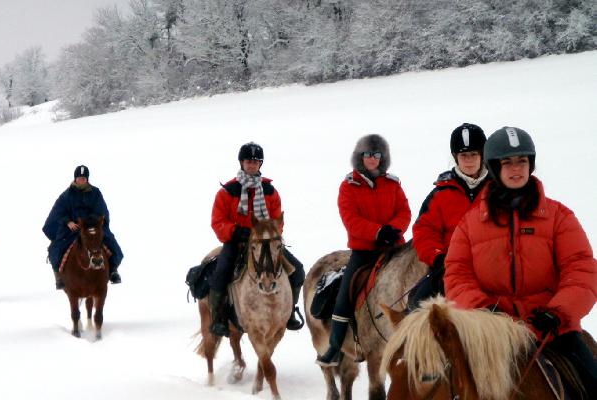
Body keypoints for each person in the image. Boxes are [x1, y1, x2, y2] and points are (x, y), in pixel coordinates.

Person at [446, 126, 597, 400]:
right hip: (491, 333)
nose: (517, 169)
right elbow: (457, 274)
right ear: (495, 168)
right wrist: (484, 313)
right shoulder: (471, 223)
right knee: (436, 381)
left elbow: (582, 269)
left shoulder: (559, 216)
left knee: (594, 385)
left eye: (523, 161)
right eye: (508, 163)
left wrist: (558, 312)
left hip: (551, 329)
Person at [316, 134, 411, 366]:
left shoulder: (393, 184)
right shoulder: (348, 186)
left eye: (376, 154)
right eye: (367, 154)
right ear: (360, 157)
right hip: (364, 251)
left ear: (382, 158)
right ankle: (335, 345)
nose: (372, 159)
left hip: (394, 249)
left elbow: (404, 211)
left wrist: (393, 230)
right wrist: (378, 232)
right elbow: (351, 220)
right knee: (344, 295)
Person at [207, 142, 305, 337]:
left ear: (260, 164)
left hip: (266, 243)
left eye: (256, 161)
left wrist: (266, 235)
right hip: (236, 242)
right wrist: (236, 232)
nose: (252, 165)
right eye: (248, 161)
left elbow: (277, 220)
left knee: (297, 270)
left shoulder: (270, 191)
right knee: (221, 273)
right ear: (241, 162)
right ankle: (218, 318)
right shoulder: (227, 191)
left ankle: (290, 311)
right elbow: (217, 221)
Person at [408, 123, 488, 308]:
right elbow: (424, 231)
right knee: (416, 305)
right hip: (448, 269)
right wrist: (437, 258)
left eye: (473, 154)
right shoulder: (440, 194)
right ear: (455, 157)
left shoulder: (497, 190)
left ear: (482, 155)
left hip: (491, 269)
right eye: (463, 155)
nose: (469, 160)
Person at [43, 165, 123, 290]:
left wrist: (90, 223)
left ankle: (113, 270)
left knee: (111, 243)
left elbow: (102, 211)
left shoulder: (96, 193)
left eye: (84, 178)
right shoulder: (66, 195)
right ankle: (59, 277)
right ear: (75, 179)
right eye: (80, 178)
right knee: (56, 247)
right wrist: (67, 221)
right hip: (72, 230)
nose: (82, 181)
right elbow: (58, 212)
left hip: (91, 227)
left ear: (87, 180)